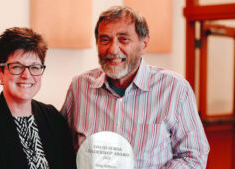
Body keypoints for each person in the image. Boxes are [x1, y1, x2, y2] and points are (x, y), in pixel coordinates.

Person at [61, 6, 210, 168]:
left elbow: (193, 156)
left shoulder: (175, 89)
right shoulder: (80, 87)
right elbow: (60, 145)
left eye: (123, 39)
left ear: (143, 44)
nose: (113, 49)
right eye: (105, 40)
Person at [0, 27, 76, 169]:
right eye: (17, 67)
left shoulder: (53, 117)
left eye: (35, 67)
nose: (27, 75)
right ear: (0, 72)